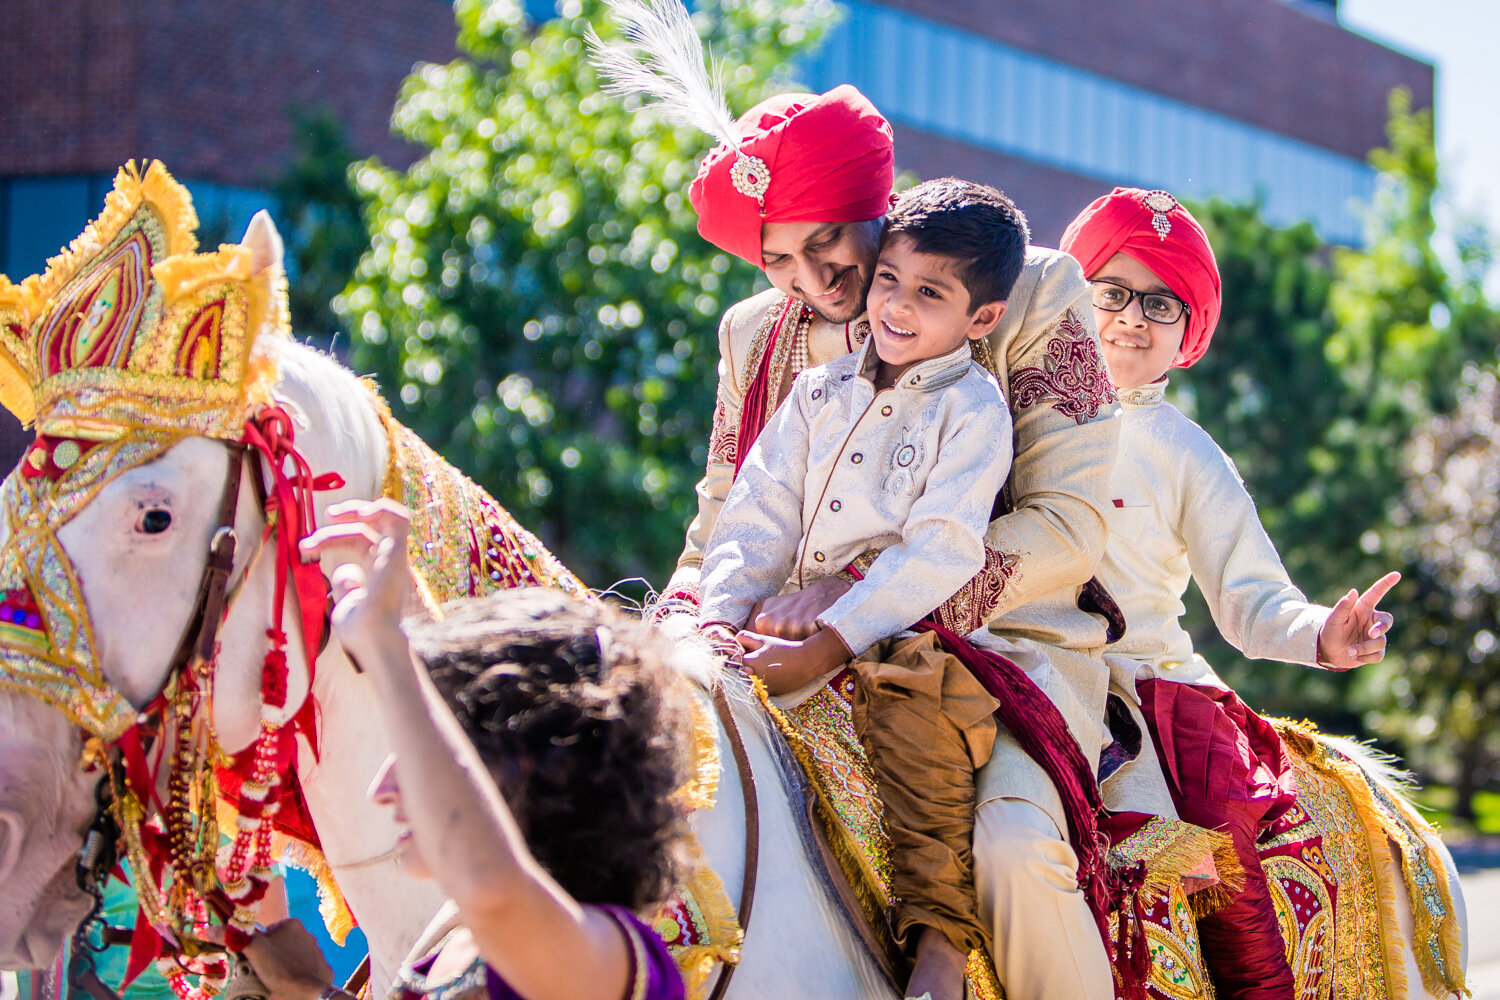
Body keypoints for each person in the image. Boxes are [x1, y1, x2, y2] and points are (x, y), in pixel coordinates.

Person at [1059, 187, 1399, 1000]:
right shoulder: (1002, 410)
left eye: (1161, 303)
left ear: (1190, 334)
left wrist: (1323, 632)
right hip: (1008, 665)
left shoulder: (1188, 453)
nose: (1132, 318)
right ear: (1073, 297)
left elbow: (1251, 597)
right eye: (1111, 292)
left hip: (1141, 690)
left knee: (1211, 861)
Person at [697, 178, 1026, 1000]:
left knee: (922, 730)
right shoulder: (818, 392)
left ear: (980, 319)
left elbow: (943, 546)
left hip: (900, 629)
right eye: (890, 280)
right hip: (777, 618)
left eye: (929, 293)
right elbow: (756, 515)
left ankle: (941, 943)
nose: (897, 305)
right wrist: (716, 620)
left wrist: (834, 638)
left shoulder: (973, 409)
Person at [241, 499, 690, 1000]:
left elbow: (492, 888)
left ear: (534, 766)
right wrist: (306, 991)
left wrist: (385, 645)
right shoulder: (449, 947)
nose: (383, 786)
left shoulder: (612, 954)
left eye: (436, 748)